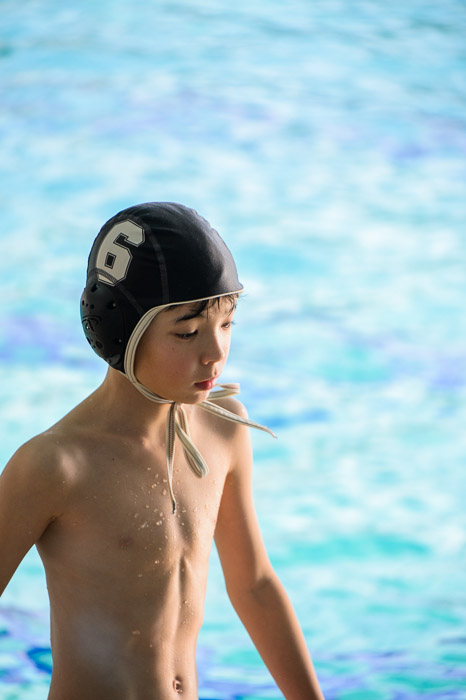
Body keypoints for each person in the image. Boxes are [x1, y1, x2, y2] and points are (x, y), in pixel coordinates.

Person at [0, 203, 325, 700]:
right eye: (187, 332)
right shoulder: (58, 465)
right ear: (119, 329)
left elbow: (255, 584)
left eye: (227, 323)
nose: (215, 352)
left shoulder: (222, 428)